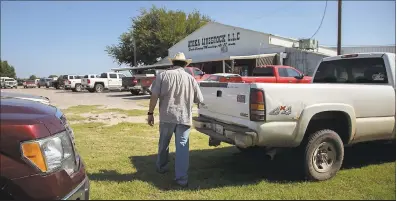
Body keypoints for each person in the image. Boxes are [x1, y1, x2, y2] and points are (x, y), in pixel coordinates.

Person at [147, 52, 204, 187]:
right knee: (182, 148)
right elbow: (200, 100)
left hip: (167, 115)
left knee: (163, 143)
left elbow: (154, 95)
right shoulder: (190, 79)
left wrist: (150, 113)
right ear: (185, 64)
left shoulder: (162, 75)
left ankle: (162, 167)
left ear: (172, 63)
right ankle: (182, 179)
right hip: (184, 117)